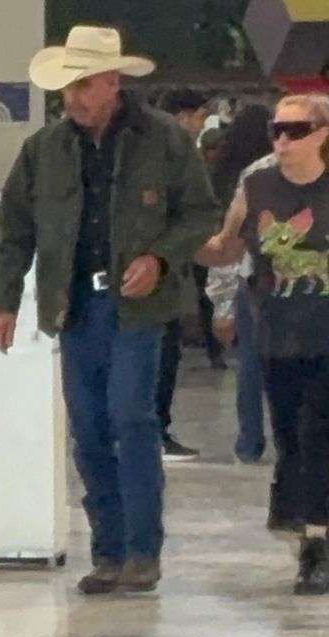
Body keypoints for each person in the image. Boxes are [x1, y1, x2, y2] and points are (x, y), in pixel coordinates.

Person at [0, 27, 220, 596]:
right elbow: (14, 233)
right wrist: (3, 302)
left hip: (138, 308)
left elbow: (199, 213)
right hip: (74, 306)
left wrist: (159, 259)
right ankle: (108, 552)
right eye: (67, 86)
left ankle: (143, 550)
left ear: (113, 82)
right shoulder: (43, 150)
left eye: (83, 84)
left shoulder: (164, 140)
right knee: (89, 428)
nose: (72, 97)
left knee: (130, 416)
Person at [198, 94, 329, 593]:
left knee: (318, 433)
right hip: (277, 331)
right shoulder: (257, 183)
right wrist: (173, 243)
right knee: (290, 436)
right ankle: (302, 525)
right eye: (277, 129)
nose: (283, 140)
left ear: (322, 134)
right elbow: (227, 248)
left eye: (296, 130)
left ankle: (316, 542)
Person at [207, 104, 277, 464]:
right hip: (258, 284)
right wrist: (223, 304)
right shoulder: (258, 175)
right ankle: (250, 442)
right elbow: (229, 241)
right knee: (251, 367)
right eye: (280, 130)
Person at [155, 89, 222, 464]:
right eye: (199, 116)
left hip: (172, 267)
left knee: (166, 350)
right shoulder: (169, 155)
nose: (201, 123)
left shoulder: (173, 152)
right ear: (182, 117)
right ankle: (156, 432)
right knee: (161, 353)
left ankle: (156, 429)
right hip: (162, 270)